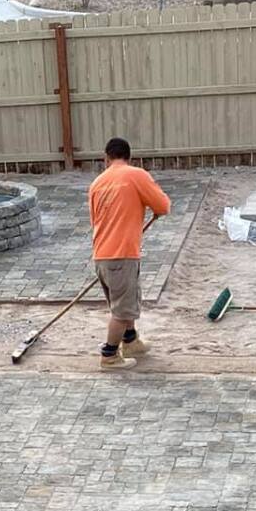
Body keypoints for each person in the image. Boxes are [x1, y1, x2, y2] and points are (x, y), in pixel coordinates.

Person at [87, 138, 171, 368]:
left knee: (126, 301)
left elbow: (95, 220)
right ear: (129, 157)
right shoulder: (135, 175)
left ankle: (131, 341)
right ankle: (110, 355)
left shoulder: (97, 183)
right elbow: (163, 206)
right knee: (122, 311)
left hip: (102, 255)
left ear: (107, 158)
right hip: (121, 255)